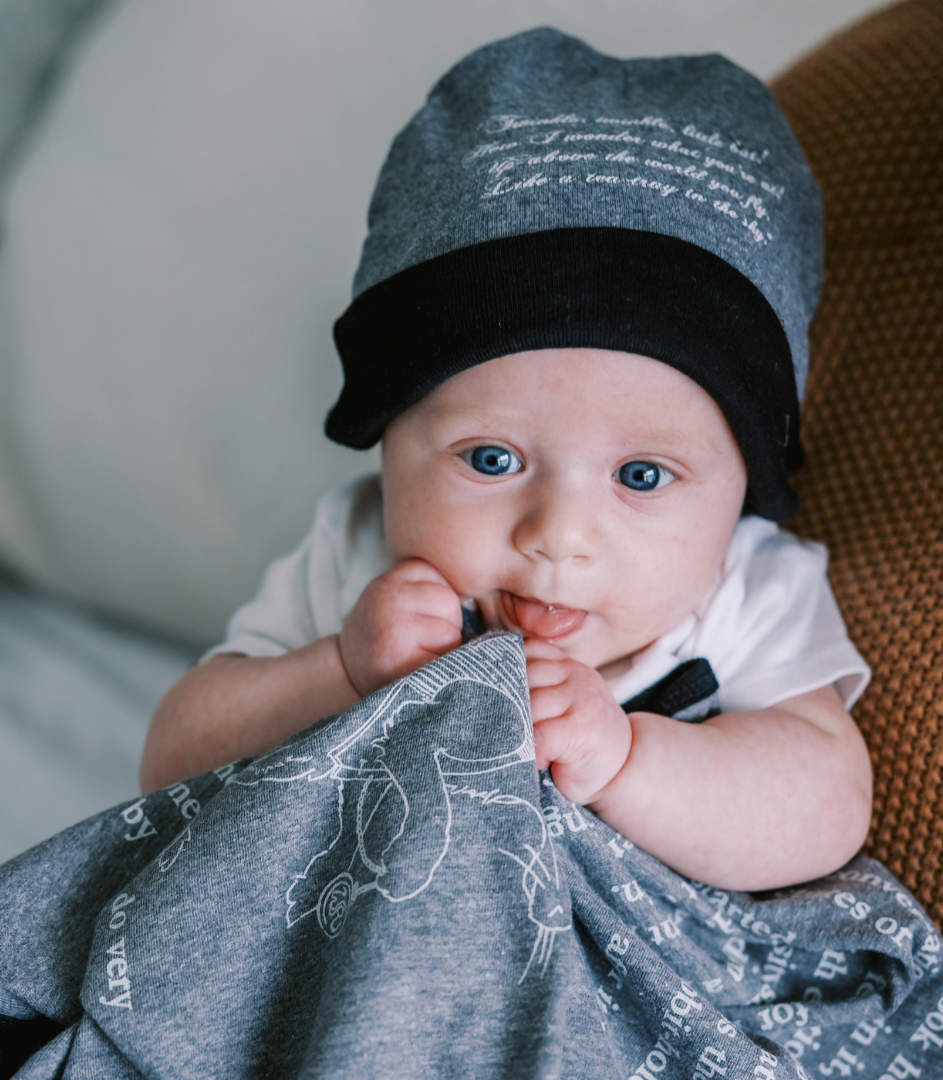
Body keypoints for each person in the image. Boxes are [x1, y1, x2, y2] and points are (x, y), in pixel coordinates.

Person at [140, 28, 872, 893]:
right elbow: (170, 766)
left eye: (641, 476)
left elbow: (827, 807)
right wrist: (337, 672)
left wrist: (630, 759)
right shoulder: (359, 556)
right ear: (389, 436)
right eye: (490, 458)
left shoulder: (749, 597)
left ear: (746, 476)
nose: (557, 537)